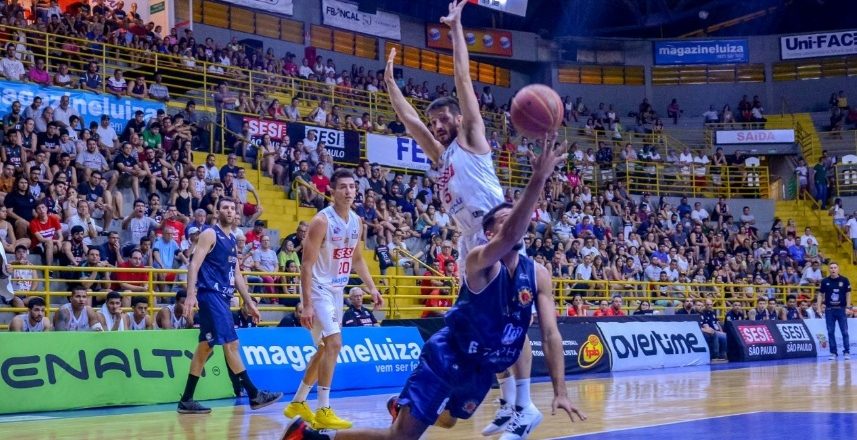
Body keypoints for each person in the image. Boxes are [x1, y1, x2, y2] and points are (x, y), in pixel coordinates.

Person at [283, 117, 583, 440]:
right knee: (399, 438)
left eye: (516, 220)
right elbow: (510, 235)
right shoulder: (479, 262)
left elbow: (551, 335)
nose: (515, 226)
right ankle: (313, 435)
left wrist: (560, 390)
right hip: (447, 356)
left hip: (479, 371)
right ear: (490, 233)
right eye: (505, 221)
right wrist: (538, 180)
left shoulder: (537, 275)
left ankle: (424, 406)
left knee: (449, 422)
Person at [381, 1, 538, 432]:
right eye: (435, 120)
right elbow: (409, 120)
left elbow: (463, 78)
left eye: (443, 117)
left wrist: (456, 30)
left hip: (499, 229)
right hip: (472, 240)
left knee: (513, 316)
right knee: (485, 323)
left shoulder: (471, 137)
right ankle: (508, 402)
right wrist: (390, 84)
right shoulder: (441, 154)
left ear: (457, 117)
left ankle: (524, 403)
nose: (437, 124)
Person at [284, 169, 384, 430]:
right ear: (332, 190)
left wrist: (372, 288)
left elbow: (358, 259)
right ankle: (323, 409)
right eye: (343, 187)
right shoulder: (321, 221)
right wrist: (306, 304)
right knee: (335, 344)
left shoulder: (357, 221)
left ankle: (298, 402)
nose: (349, 191)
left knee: (324, 348)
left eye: (352, 186)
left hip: (337, 290)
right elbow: (305, 265)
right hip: (318, 289)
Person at [176, 197, 282, 414]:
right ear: (217, 211)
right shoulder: (210, 234)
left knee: (204, 348)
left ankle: (186, 400)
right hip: (211, 295)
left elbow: (237, 274)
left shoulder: (232, 239)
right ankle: (254, 394)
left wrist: (249, 301)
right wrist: (190, 294)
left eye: (233, 208)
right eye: (225, 207)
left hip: (223, 296)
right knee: (232, 345)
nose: (230, 211)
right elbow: (194, 264)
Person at [818, 262, 851, 361]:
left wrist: (848, 307)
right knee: (830, 332)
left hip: (841, 309)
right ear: (829, 269)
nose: (833, 269)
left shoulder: (844, 280)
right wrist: (819, 308)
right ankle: (833, 352)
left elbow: (848, 294)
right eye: (831, 268)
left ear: (838, 269)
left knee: (844, 332)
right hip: (829, 310)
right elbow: (820, 294)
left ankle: (847, 352)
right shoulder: (825, 281)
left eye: (835, 267)